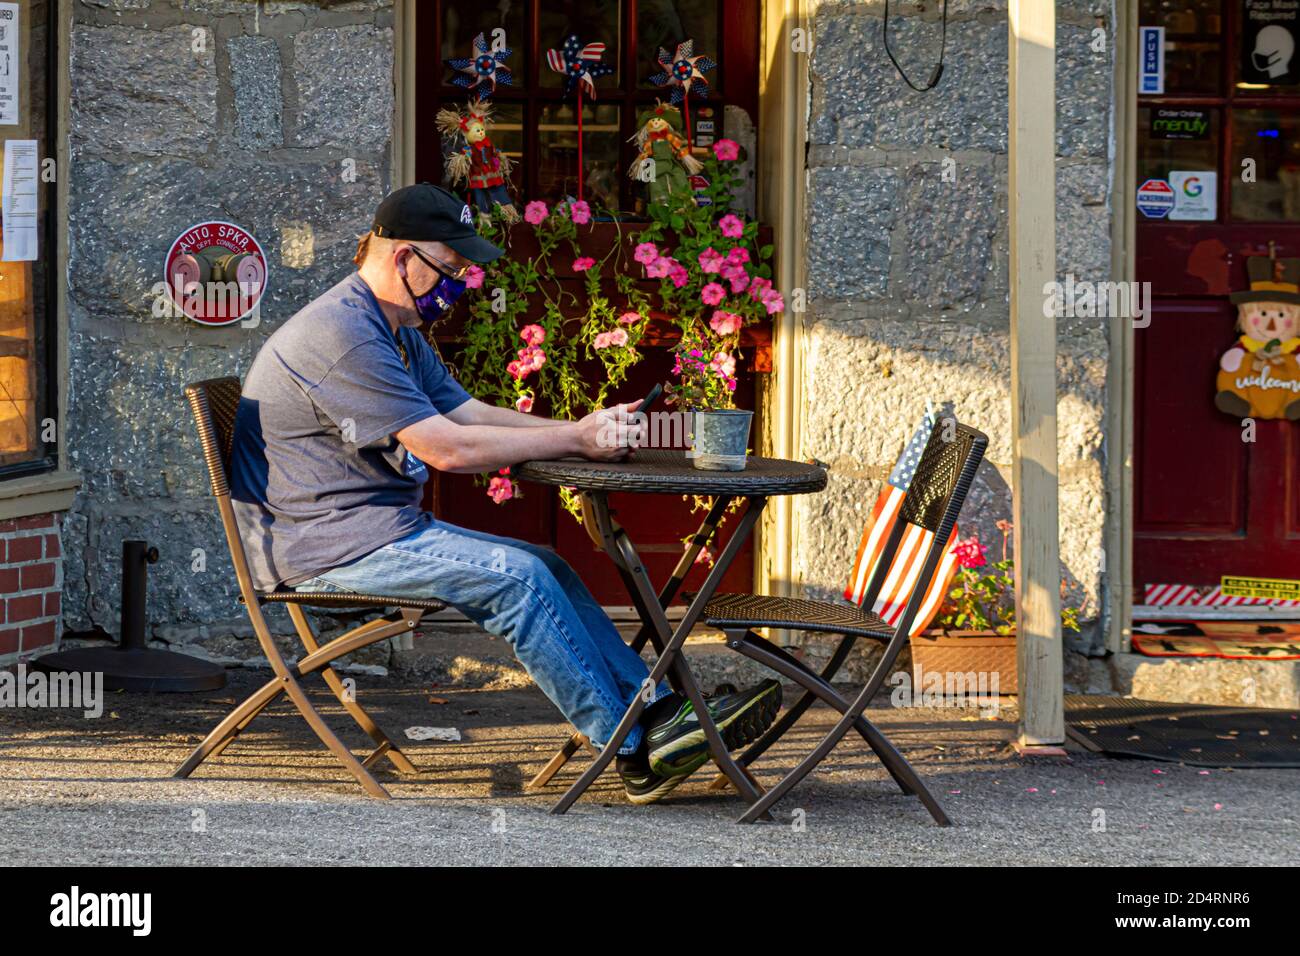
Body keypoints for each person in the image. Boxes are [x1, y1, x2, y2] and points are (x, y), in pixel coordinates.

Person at [229, 184, 780, 804]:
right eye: (452, 266)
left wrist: (585, 432)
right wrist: (574, 441)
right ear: (403, 256)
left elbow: (466, 413)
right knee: (517, 580)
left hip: (376, 530)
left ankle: (660, 720)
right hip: (327, 549)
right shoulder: (344, 336)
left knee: (548, 564)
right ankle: (633, 747)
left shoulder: (393, 325)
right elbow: (449, 450)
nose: (460, 282)